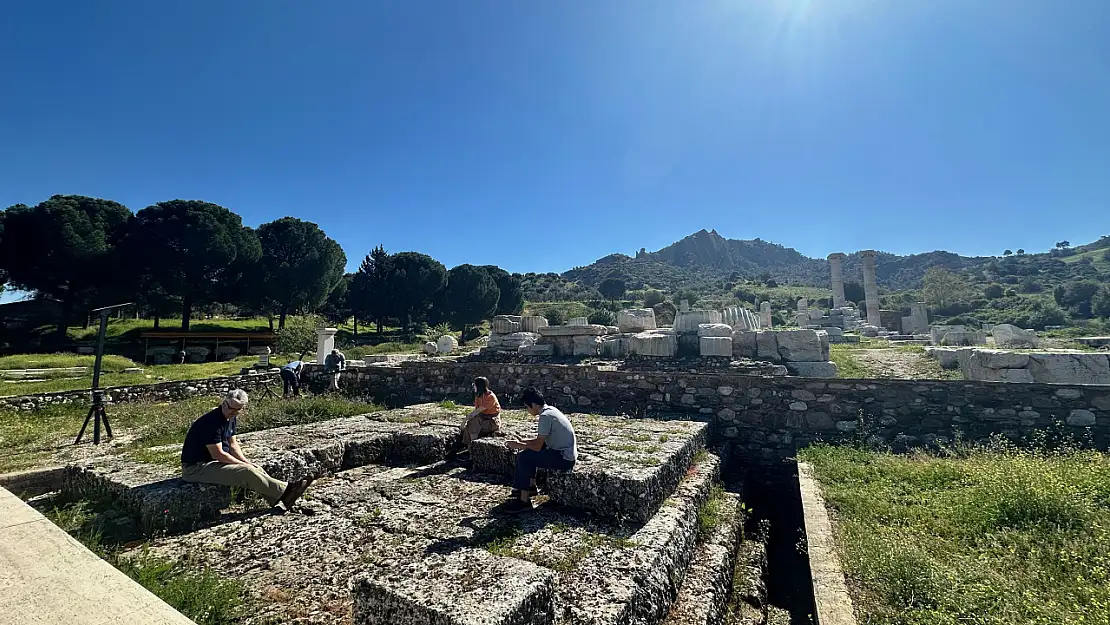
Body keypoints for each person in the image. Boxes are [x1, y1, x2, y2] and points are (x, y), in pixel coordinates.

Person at [180, 389, 311, 512]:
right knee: (246, 471)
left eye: (238, 410)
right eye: (231, 408)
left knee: (255, 468)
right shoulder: (211, 422)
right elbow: (218, 454)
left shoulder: (231, 418)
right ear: (224, 403)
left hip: (210, 463)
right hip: (195, 468)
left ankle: (279, 500)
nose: (233, 412)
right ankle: (287, 490)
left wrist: (246, 462)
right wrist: (242, 465)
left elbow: (233, 445)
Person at [504, 387, 577, 512]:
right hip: (564, 453)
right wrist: (522, 441)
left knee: (524, 457)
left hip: (564, 458)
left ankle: (524, 501)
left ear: (533, 405)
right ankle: (530, 487)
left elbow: (537, 446)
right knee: (528, 453)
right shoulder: (551, 410)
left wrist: (518, 445)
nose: (527, 410)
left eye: (527, 407)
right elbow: (540, 441)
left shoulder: (545, 416)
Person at [450, 377, 501, 460]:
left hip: (492, 421)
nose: (473, 387)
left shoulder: (490, 397)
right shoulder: (478, 396)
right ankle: (470, 449)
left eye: (474, 385)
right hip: (482, 419)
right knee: (471, 425)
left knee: (472, 424)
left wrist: (464, 421)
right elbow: (476, 413)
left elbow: (477, 411)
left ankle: (473, 452)